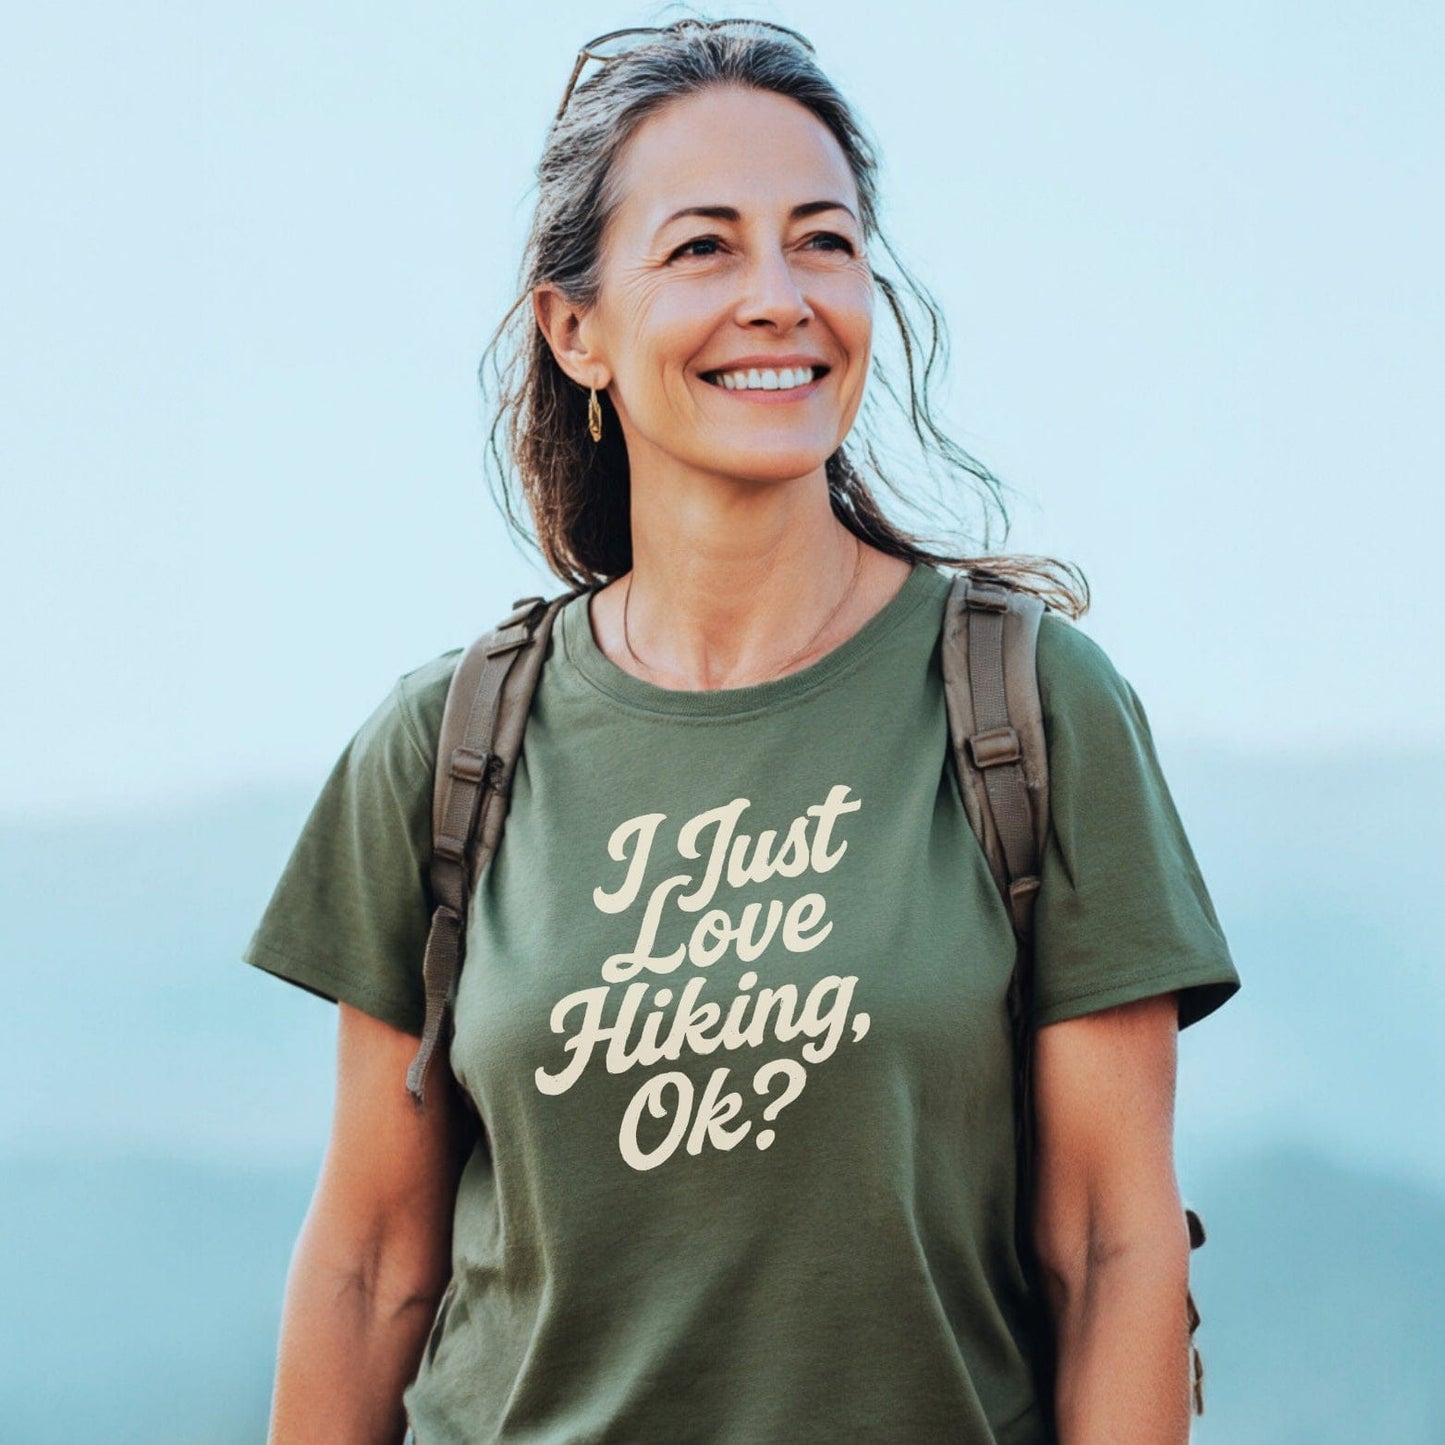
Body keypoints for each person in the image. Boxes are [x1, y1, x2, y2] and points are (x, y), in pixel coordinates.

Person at [241, 17, 1240, 1444]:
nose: (777, 296)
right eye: (703, 247)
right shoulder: (447, 745)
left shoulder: (1030, 709)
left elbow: (1110, 1246)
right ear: (572, 330)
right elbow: (369, 1265)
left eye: (822, 242)